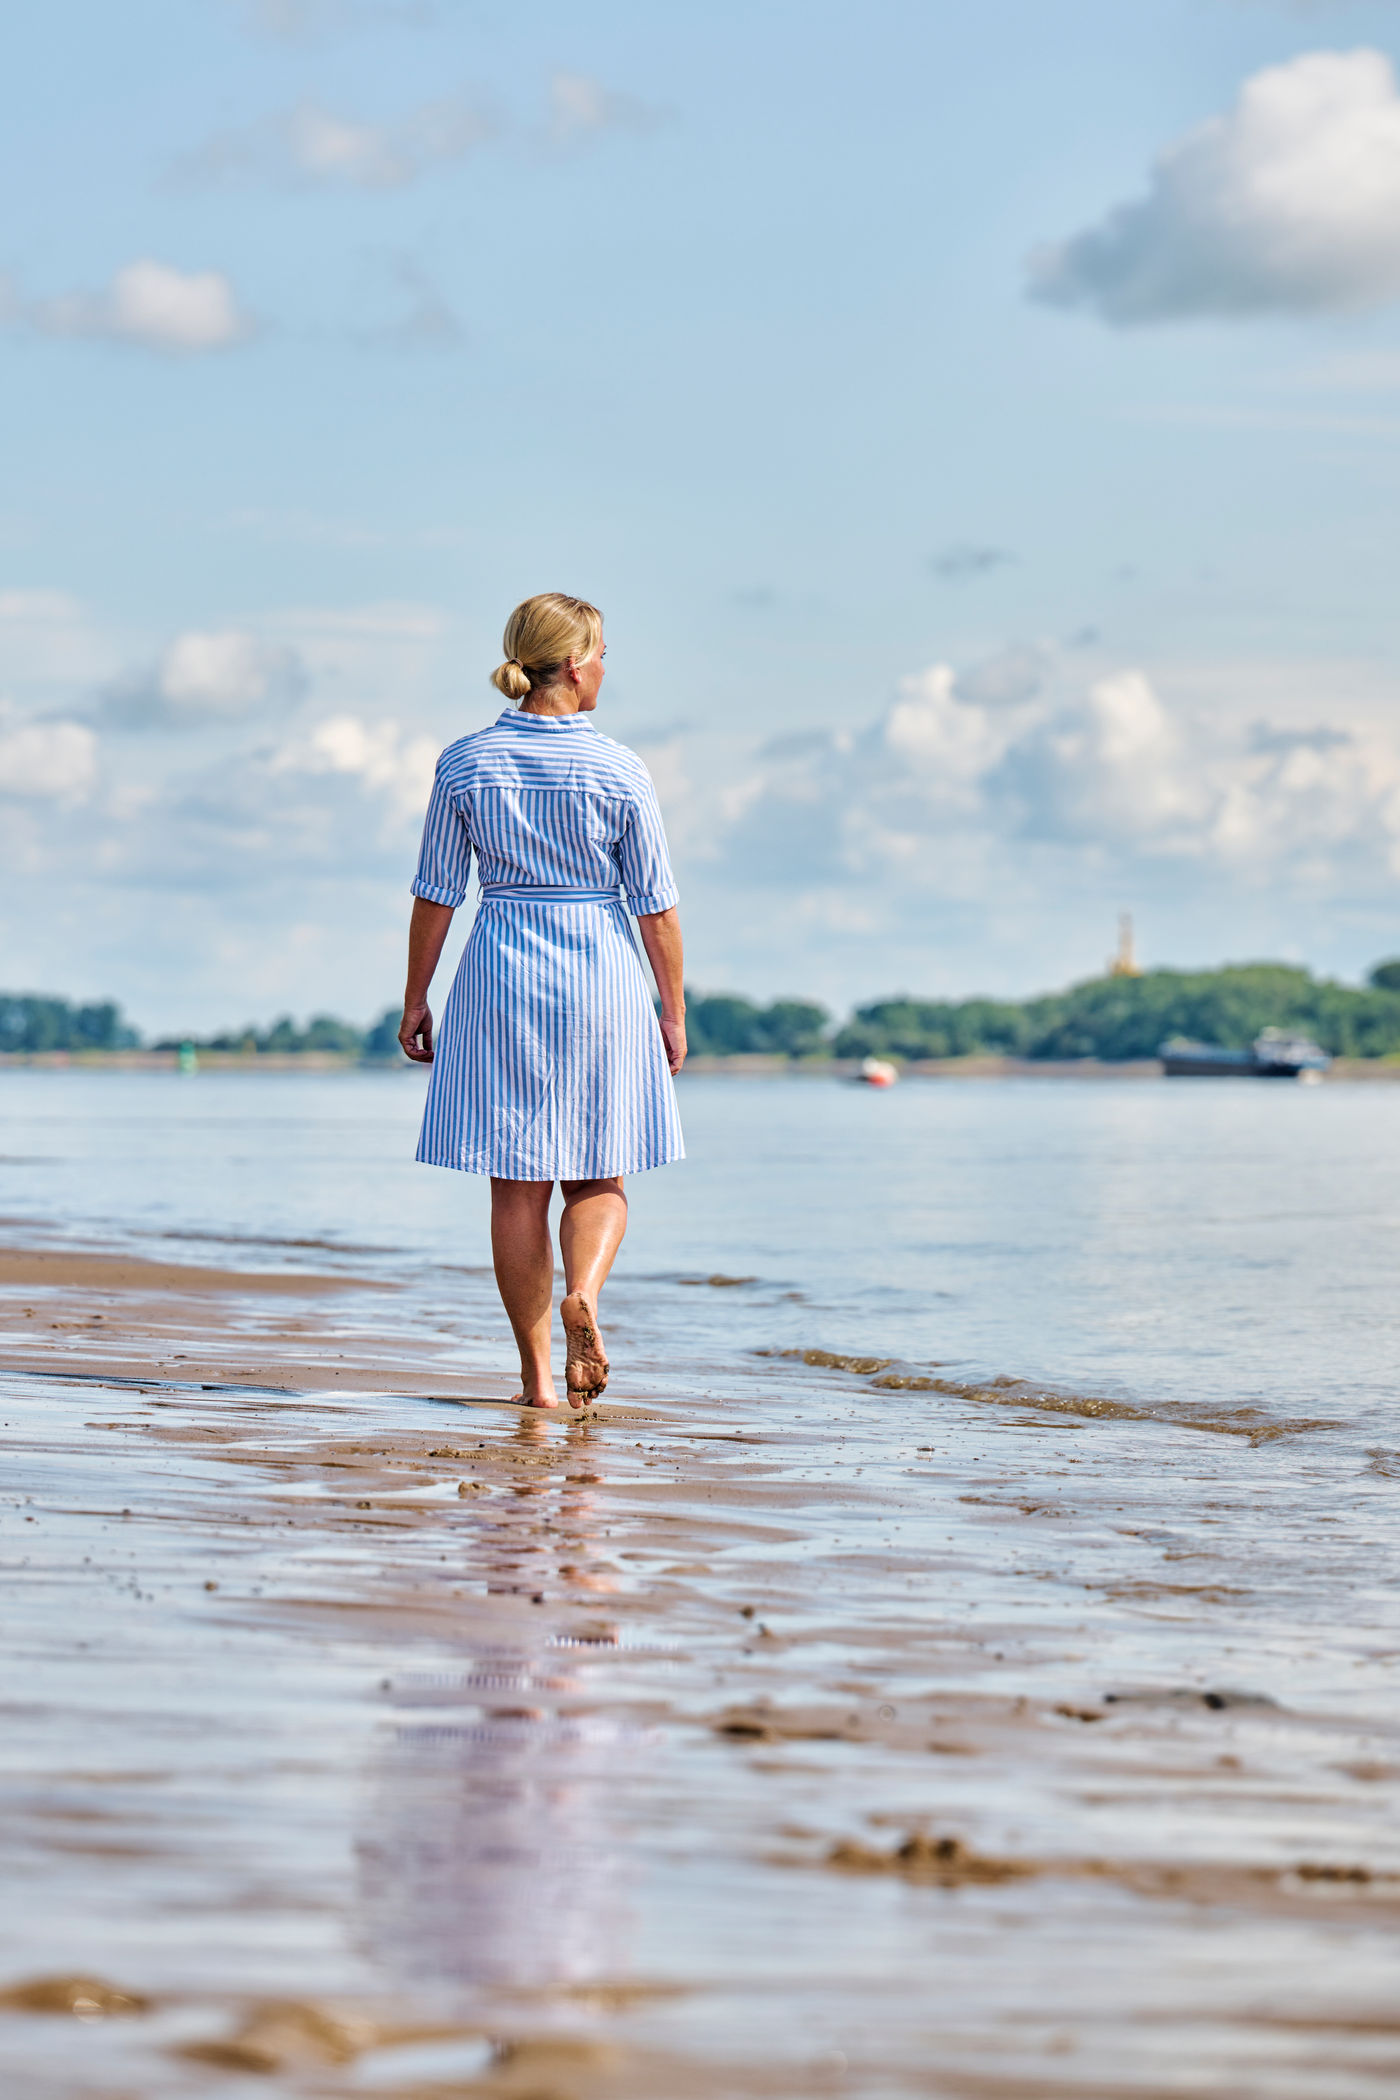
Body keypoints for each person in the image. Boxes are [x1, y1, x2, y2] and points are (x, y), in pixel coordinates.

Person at [398, 593, 686, 1409]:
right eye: (601, 653)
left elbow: (435, 893)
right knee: (600, 1173)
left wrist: (416, 998)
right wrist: (673, 1009)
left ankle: (536, 1383)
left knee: (515, 1186)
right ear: (572, 663)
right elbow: (655, 905)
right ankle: (585, 1294)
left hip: (501, 970)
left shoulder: (465, 763)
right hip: (600, 970)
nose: (605, 669)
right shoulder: (621, 769)